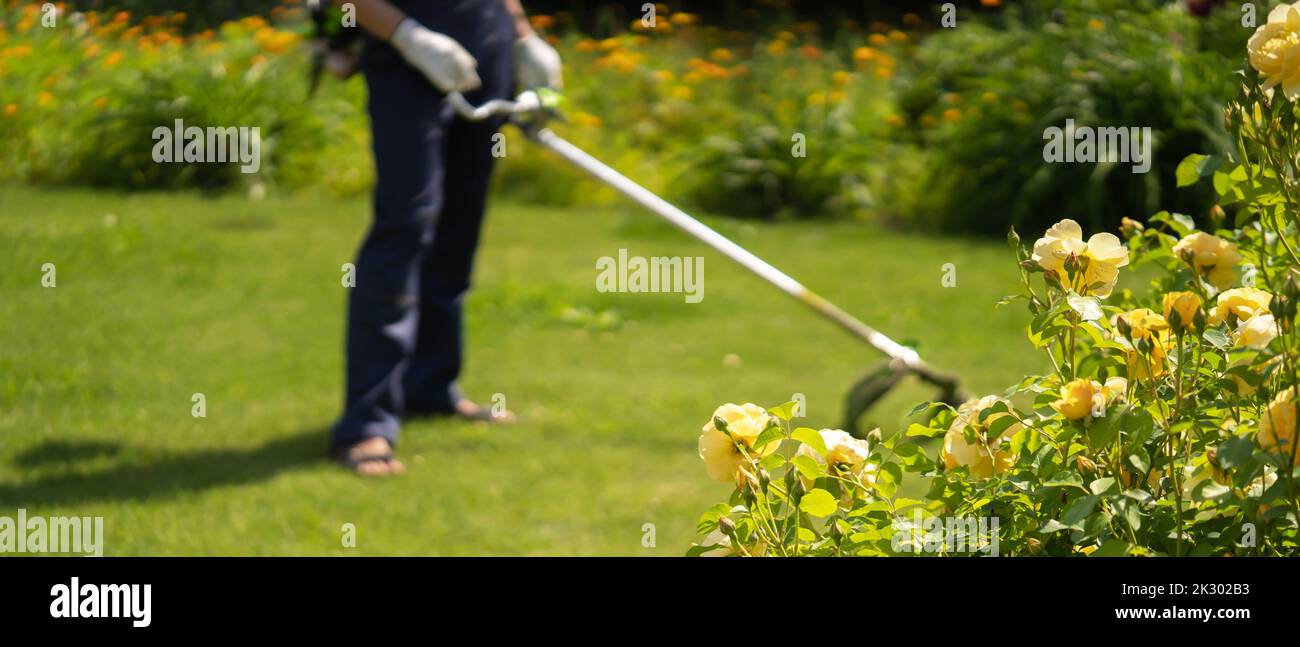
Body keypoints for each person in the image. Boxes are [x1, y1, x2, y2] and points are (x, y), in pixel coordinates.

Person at [332, 0, 562, 475]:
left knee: (459, 225)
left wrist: (521, 34)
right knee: (406, 225)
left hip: (486, 41)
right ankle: (367, 424)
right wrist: (407, 35)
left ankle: (430, 387)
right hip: (409, 48)